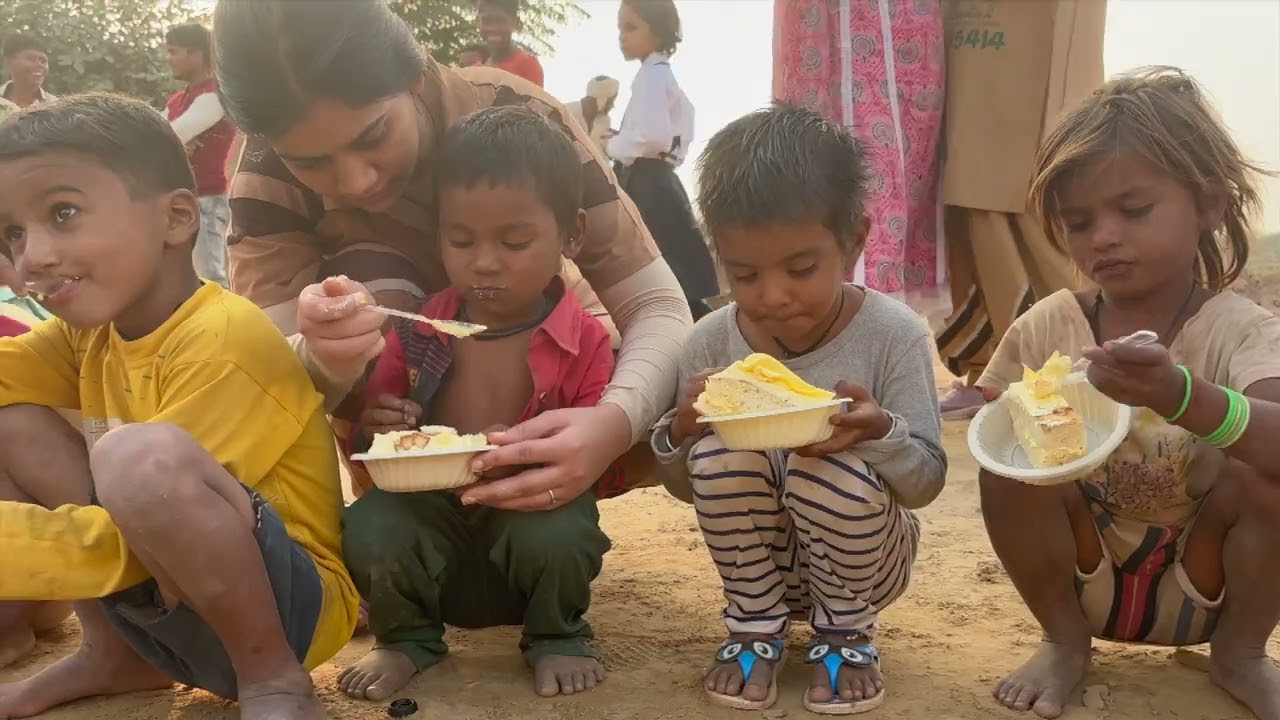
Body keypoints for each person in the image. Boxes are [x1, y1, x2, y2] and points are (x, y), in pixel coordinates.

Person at [214, 0, 690, 515]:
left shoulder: (520, 117)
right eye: (311, 163)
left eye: (372, 137)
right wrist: (322, 358)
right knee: (378, 286)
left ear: (415, 76)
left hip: (554, 378)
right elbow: (269, 380)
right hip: (394, 453)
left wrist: (612, 423)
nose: (356, 182)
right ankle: (408, 535)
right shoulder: (265, 175)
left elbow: (657, 306)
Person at [0, 94, 358, 719]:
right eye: (11, 234)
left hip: (291, 609)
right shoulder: (91, 334)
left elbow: (145, 533)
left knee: (139, 460)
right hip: (166, 605)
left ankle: (273, 682)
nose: (31, 257)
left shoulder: (225, 341)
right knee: (11, 423)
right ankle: (116, 655)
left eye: (62, 213)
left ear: (176, 217)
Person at [977, 68, 1280, 720]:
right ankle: (1061, 643)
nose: (1103, 237)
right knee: (1010, 465)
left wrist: (1181, 394)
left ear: (1206, 203)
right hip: (1087, 574)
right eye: (1079, 221)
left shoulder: (1240, 330)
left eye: (1132, 210)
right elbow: (982, 408)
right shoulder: (1051, 324)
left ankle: (1243, 656)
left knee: (1266, 477)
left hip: (1210, 582)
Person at [652, 104, 945, 714]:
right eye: (745, 274)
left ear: (854, 239)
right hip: (758, 568)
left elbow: (925, 481)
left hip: (866, 563)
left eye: (801, 268)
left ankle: (845, 633)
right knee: (717, 453)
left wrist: (880, 434)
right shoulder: (711, 341)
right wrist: (680, 429)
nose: (773, 295)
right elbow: (685, 485)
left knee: (825, 464)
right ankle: (754, 627)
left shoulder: (893, 334)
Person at [338, 105, 617, 702]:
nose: (483, 261)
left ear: (571, 236)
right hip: (429, 533)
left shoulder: (586, 340)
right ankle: (407, 636)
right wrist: (379, 420)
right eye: (459, 239)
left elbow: (595, 460)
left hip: (527, 531)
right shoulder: (419, 329)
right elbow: (373, 437)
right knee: (368, 523)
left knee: (563, 531)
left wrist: (541, 455)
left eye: (514, 241)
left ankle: (557, 635)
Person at [934, 0, 1106, 419]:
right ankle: (989, 370)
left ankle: (1074, 364)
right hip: (971, 38)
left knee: (1037, 186)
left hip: (1036, 33)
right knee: (969, 180)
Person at [772, 0, 946, 317]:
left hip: (901, 29)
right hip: (833, 27)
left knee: (901, 159)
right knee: (820, 159)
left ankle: (868, 309)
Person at [610, 0, 719, 321]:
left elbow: (653, 137)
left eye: (630, 28)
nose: (622, 36)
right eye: (620, 28)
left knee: (662, 273)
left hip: (647, 184)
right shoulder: (655, 75)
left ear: (657, 33)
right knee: (669, 274)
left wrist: (614, 144)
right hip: (654, 179)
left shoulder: (652, 77)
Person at [165, 23, 237, 289]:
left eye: (174, 52)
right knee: (197, 276)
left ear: (196, 54)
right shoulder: (177, 101)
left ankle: (229, 329)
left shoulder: (214, 94)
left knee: (213, 276)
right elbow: (157, 136)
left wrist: (173, 141)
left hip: (208, 199)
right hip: (189, 199)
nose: (169, 59)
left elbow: (171, 135)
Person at [477, 0, 544, 87]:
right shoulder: (475, 71)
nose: (493, 28)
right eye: (486, 21)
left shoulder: (527, 65)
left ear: (515, 23)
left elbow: (535, 100)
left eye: (500, 21)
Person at [565, 74, 619, 157]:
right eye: (611, 101)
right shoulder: (566, 112)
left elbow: (604, 149)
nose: (613, 105)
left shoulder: (604, 121)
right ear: (603, 99)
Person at [1, 34, 54, 109]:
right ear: (9, 61)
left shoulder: (56, 107)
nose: (39, 65)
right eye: (31, 59)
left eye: (43, 61)